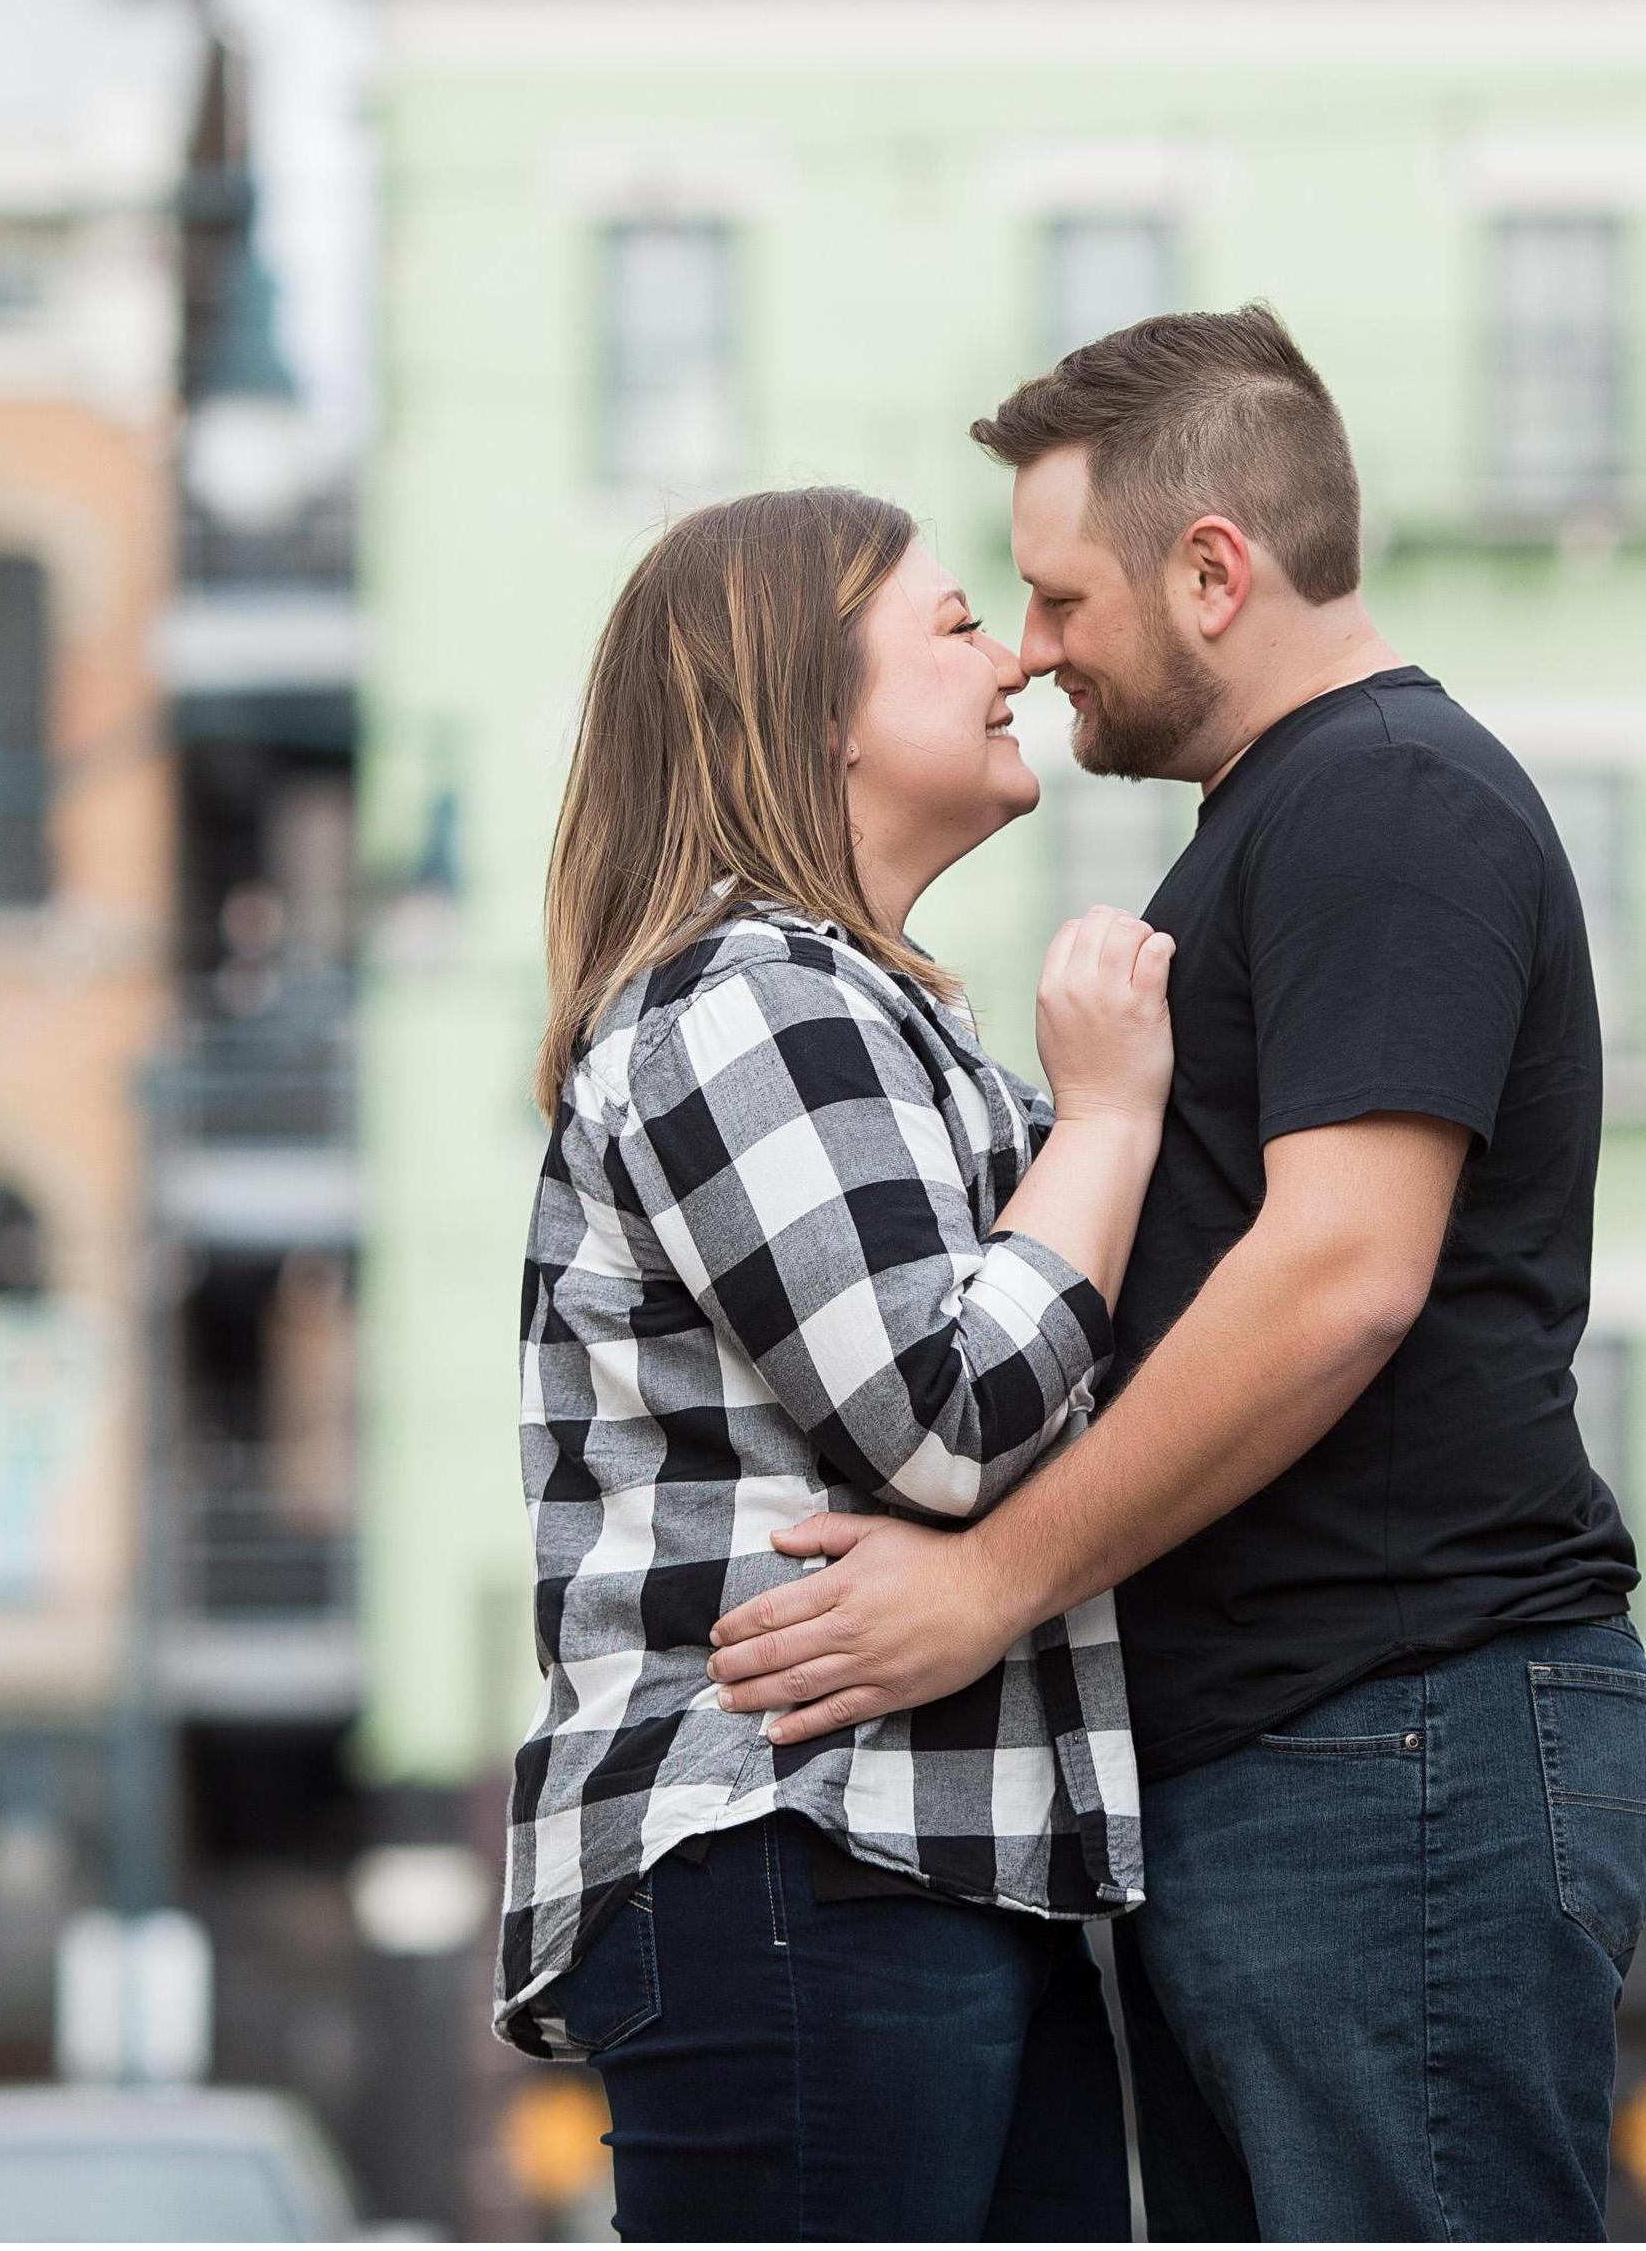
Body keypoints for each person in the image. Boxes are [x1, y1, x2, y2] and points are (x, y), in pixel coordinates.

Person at [709, 309, 1646, 2243]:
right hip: (1323, 1757)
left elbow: (1341, 1278)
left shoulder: (1384, 802)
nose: (1036, 645)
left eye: (1061, 593)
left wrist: (986, 1584)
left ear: (1212, 571)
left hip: (1401, 1742)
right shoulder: (1288, 824)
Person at [506, 484, 1174, 2243]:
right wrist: (1105, 1116)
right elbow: (949, 1418)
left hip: (927, 1863)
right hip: (805, 1852)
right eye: (955, 627)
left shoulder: (872, 1018)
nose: (1014, 655)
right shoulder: (747, 1001)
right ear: (815, 709)